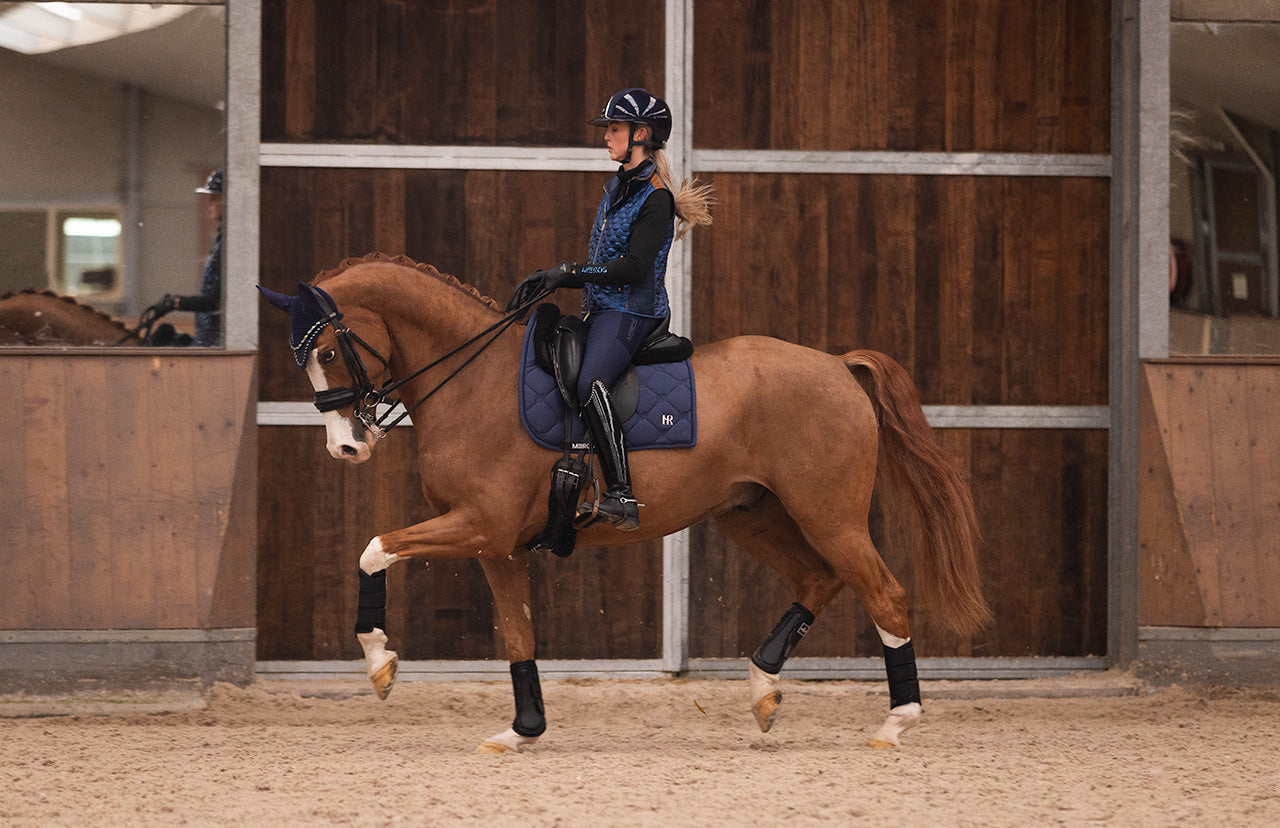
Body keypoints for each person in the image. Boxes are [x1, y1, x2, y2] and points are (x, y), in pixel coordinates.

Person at [520, 88, 714, 531]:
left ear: (641, 135)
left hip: (634, 313)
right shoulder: (619, 188)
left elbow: (633, 267)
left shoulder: (656, 198)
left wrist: (569, 272)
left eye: (614, 129)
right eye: (608, 129)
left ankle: (621, 494)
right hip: (604, 309)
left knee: (590, 381)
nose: (606, 137)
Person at [148, 168, 223, 346]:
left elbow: (215, 301)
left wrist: (175, 303)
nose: (210, 204)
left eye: (215, 198)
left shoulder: (230, 244)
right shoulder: (220, 240)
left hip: (216, 336)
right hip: (206, 332)